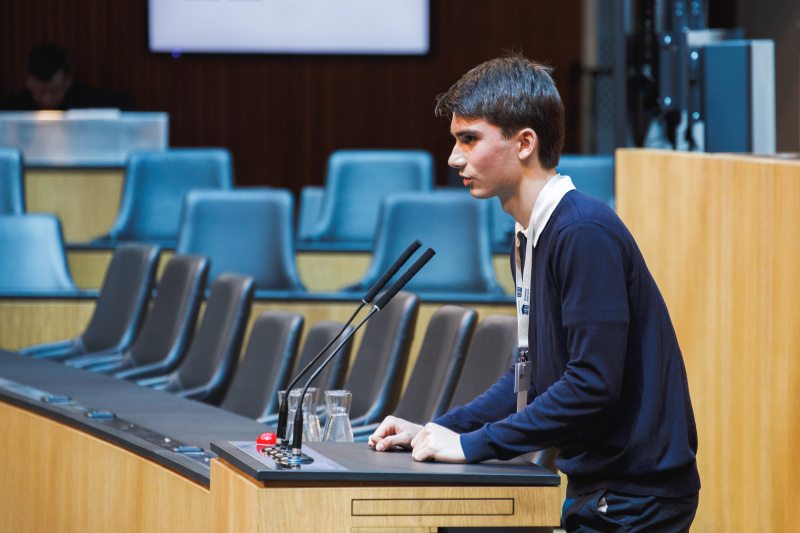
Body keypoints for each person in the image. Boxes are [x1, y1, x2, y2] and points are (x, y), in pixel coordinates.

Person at [368, 53, 700, 532]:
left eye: (469, 139)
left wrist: (472, 446)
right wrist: (444, 429)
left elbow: (591, 384)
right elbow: (531, 377)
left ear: (525, 143)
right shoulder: (531, 235)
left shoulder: (582, 231)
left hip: (636, 497)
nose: (454, 157)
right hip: (601, 488)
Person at [1, 44, 133, 111]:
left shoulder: (89, 105)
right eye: (40, 92)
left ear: (68, 81)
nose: (47, 100)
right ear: (27, 82)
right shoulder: (11, 111)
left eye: (54, 91)